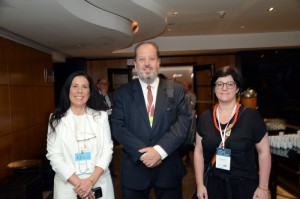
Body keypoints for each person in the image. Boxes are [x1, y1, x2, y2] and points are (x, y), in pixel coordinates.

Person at [111, 41, 192, 199]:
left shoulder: (175, 90)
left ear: (158, 62)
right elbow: (118, 127)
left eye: (151, 58)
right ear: (135, 64)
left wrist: (159, 151)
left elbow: (183, 122)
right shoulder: (123, 93)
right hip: (135, 170)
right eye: (142, 59)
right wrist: (144, 154)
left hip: (168, 169)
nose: (147, 63)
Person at [193, 66, 271, 199]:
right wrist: (200, 184)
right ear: (214, 88)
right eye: (219, 84)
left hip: (244, 187)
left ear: (237, 88)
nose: (224, 88)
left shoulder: (251, 117)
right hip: (213, 185)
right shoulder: (205, 117)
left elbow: (264, 152)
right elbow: (198, 152)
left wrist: (263, 187)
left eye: (230, 84)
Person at [46, 71, 114, 199]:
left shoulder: (101, 117)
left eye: (84, 87)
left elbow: (107, 151)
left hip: (99, 184)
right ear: (68, 91)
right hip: (68, 188)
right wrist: (81, 185)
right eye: (75, 86)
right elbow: (54, 156)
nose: (80, 91)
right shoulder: (55, 120)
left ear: (89, 93)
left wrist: (90, 182)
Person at [182, 81, 197, 162]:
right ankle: (186, 155)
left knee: (191, 134)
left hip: (191, 116)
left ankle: (192, 154)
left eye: (185, 86)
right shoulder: (183, 95)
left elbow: (192, 105)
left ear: (189, 87)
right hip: (185, 116)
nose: (184, 87)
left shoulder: (192, 95)